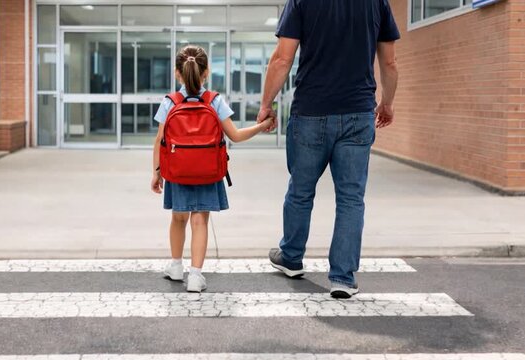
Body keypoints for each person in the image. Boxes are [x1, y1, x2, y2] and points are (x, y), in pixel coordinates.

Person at [258, 0, 400, 298]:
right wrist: (386, 103)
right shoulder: (377, 3)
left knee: (301, 190)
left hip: (311, 111)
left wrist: (265, 104)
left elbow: (282, 58)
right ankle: (342, 278)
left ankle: (292, 257)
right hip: (358, 113)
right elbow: (388, 62)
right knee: (351, 198)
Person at [151, 45, 274, 293]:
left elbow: (159, 141)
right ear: (206, 72)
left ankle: (176, 267)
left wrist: (156, 172)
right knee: (199, 221)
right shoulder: (215, 101)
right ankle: (195, 276)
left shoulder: (169, 102)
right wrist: (262, 126)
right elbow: (235, 136)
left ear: (177, 74)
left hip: (177, 171)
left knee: (177, 218)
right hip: (208, 171)